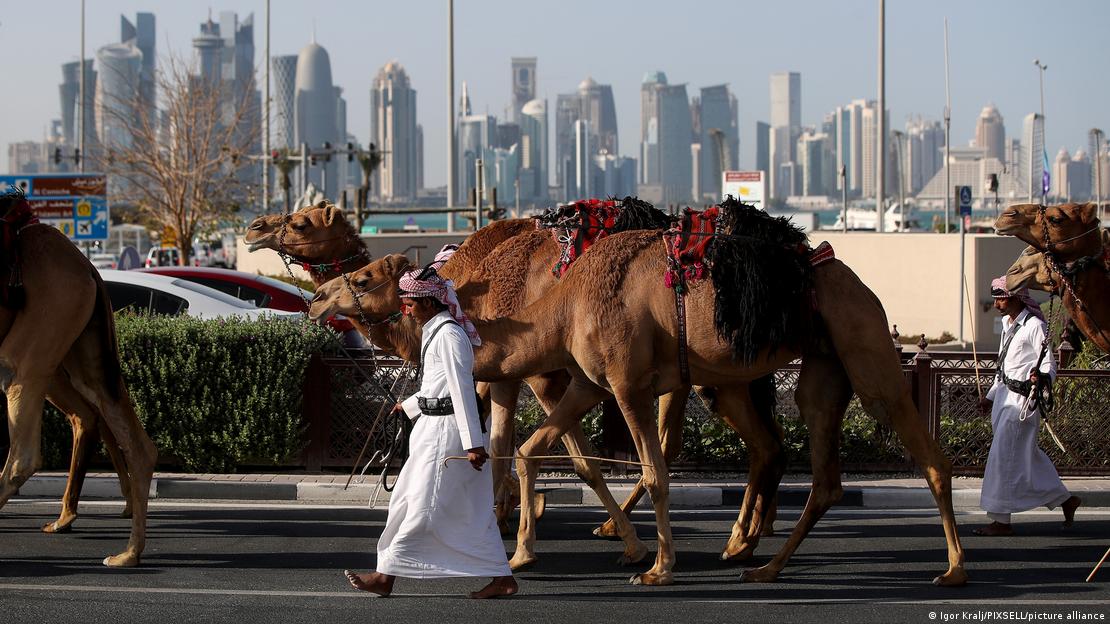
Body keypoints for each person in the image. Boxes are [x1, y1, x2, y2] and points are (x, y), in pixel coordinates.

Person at [344, 261, 517, 599]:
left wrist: (473, 444)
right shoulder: (436, 332)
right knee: (432, 504)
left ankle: (386, 576)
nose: (405, 310)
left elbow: (462, 389)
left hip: (446, 435)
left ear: (428, 302)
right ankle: (501, 577)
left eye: (409, 303)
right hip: (432, 428)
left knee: (419, 505)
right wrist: (408, 406)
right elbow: (436, 386)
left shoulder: (450, 335)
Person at [974, 276, 1081, 536]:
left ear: (1016, 297)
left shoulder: (1035, 326)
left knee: (1004, 457)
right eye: (996, 296)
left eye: (1001, 296)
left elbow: (1048, 366)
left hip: (1023, 402)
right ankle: (1066, 500)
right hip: (1003, 399)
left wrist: (1040, 377)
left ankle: (1001, 522)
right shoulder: (1006, 324)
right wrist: (989, 397)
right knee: (1025, 457)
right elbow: (1004, 367)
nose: (997, 302)